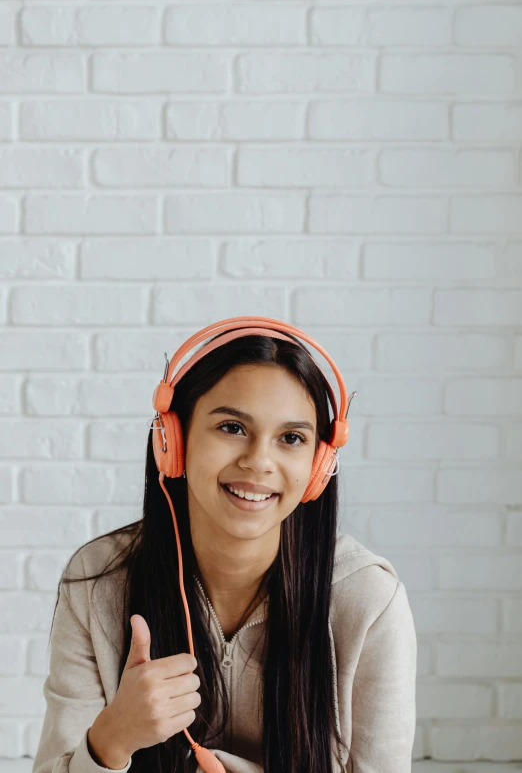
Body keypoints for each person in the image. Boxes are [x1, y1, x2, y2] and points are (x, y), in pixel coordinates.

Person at [32, 320, 417, 773]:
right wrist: (111, 738)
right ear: (172, 441)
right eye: (232, 427)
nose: (258, 461)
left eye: (291, 438)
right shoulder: (99, 581)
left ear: (318, 467)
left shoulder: (368, 600)